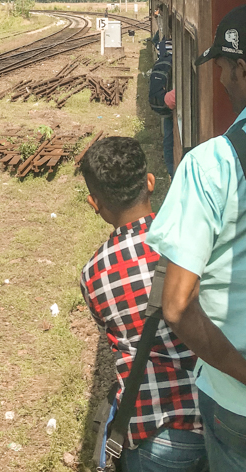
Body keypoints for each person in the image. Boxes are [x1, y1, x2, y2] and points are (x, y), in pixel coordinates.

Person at [146, 2, 246, 472]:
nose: (219, 81)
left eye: (221, 69)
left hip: (241, 400)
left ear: (243, 69)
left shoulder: (209, 164)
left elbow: (176, 305)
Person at [80, 136, 208, 471]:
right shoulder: (192, 237)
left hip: (155, 429)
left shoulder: (94, 274)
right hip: (218, 413)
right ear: (150, 183)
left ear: (95, 203)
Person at [148, 39, 177, 177]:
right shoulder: (174, 47)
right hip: (171, 105)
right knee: (170, 140)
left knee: (168, 140)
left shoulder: (162, 43)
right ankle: (172, 171)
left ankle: (171, 170)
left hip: (167, 109)